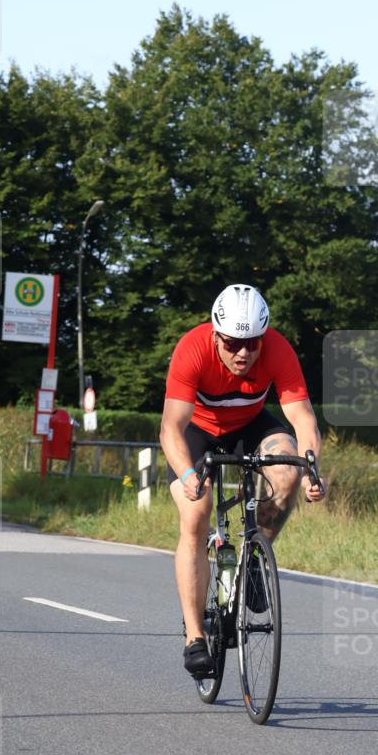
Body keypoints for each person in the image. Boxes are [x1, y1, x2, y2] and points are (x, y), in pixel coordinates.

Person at [159, 284, 325, 677]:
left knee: (287, 472)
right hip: (198, 430)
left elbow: (302, 419)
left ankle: (253, 560)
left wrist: (311, 470)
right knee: (196, 514)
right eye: (233, 344)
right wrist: (188, 476)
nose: (243, 354)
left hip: (250, 423)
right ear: (216, 335)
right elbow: (171, 428)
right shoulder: (192, 348)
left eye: (253, 344)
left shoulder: (278, 350)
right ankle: (195, 637)